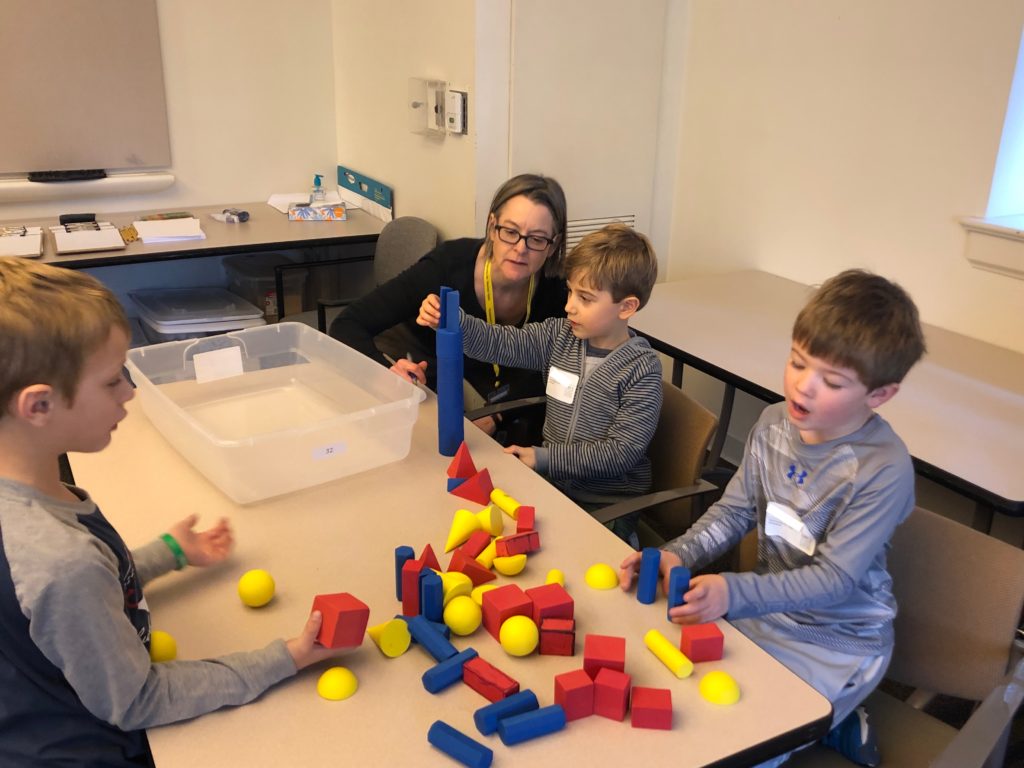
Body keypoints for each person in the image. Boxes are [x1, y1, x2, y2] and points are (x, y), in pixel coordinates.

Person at [0, 258, 349, 767]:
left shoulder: (30, 497)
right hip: (88, 748)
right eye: (111, 382)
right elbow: (137, 700)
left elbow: (82, 593)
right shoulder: (62, 563)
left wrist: (168, 552)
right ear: (39, 406)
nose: (130, 391)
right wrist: (287, 656)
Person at [618, 269, 927, 767]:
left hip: (839, 642)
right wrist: (679, 554)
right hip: (766, 614)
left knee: (742, 748)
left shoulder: (883, 470)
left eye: (832, 381)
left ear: (879, 395)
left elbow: (834, 580)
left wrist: (733, 593)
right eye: (797, 362)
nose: (803, 387)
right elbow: (735, 511)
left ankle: (840, 714)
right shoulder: (772, 424)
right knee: (688, 702)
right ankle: (831, 719)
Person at [418, 223, 662, 547]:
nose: (569, 305)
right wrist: (456, 321)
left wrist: (544, 458)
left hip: (605, 503)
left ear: (627, 307)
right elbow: (501, 343)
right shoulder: (560, 336)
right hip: (553, 485)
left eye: (585, 298)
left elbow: (620, 453)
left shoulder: (640, 371)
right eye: (571, 292)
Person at [329, 173, 568, 443]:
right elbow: (347, 324)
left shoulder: (560, 290)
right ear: (492, 227)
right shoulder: (448, 265)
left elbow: (562, 368)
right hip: (430, 385)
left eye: (537, 239)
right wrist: (384, 374)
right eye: (510, 232)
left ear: (554, 244)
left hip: (501, 401)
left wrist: (497, 415)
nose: (520, 249)